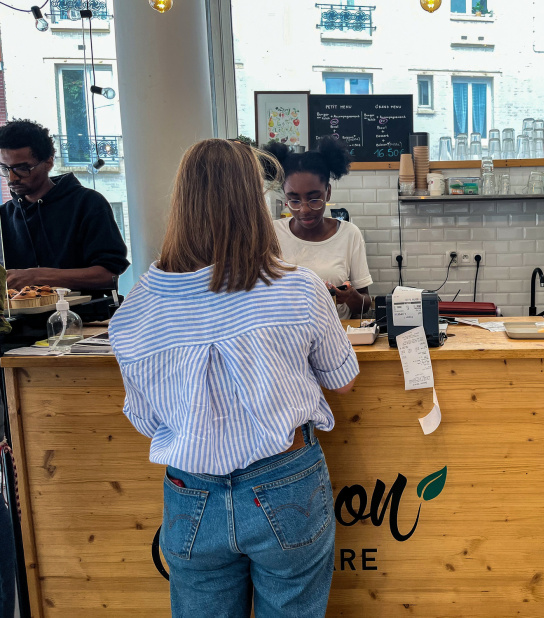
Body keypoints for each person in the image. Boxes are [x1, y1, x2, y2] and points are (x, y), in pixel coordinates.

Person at [108, 139, 358, 618]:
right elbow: (342, 380)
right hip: (285, 480)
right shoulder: (298, 288)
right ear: (254, 204)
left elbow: (146, 421)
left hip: (190, 491)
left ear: (181, 203)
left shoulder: (136, 310)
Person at [0, 119, 129, 292]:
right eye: (5, 168)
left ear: (49, 162)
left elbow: (108, 276)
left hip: (84, 310)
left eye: (22, 168)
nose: (12, 178)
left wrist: (35, 277)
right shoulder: (4, 216)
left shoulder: (87, 203)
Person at [265, 138, 372, 319]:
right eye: (294, 200)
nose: (304, 209)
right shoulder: (272, 234)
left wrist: (350, 296)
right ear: (285, 195)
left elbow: (364, 305)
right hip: (286, 334)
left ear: (328, 192)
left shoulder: (349, 234)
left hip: (336, 333)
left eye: (314, 199)